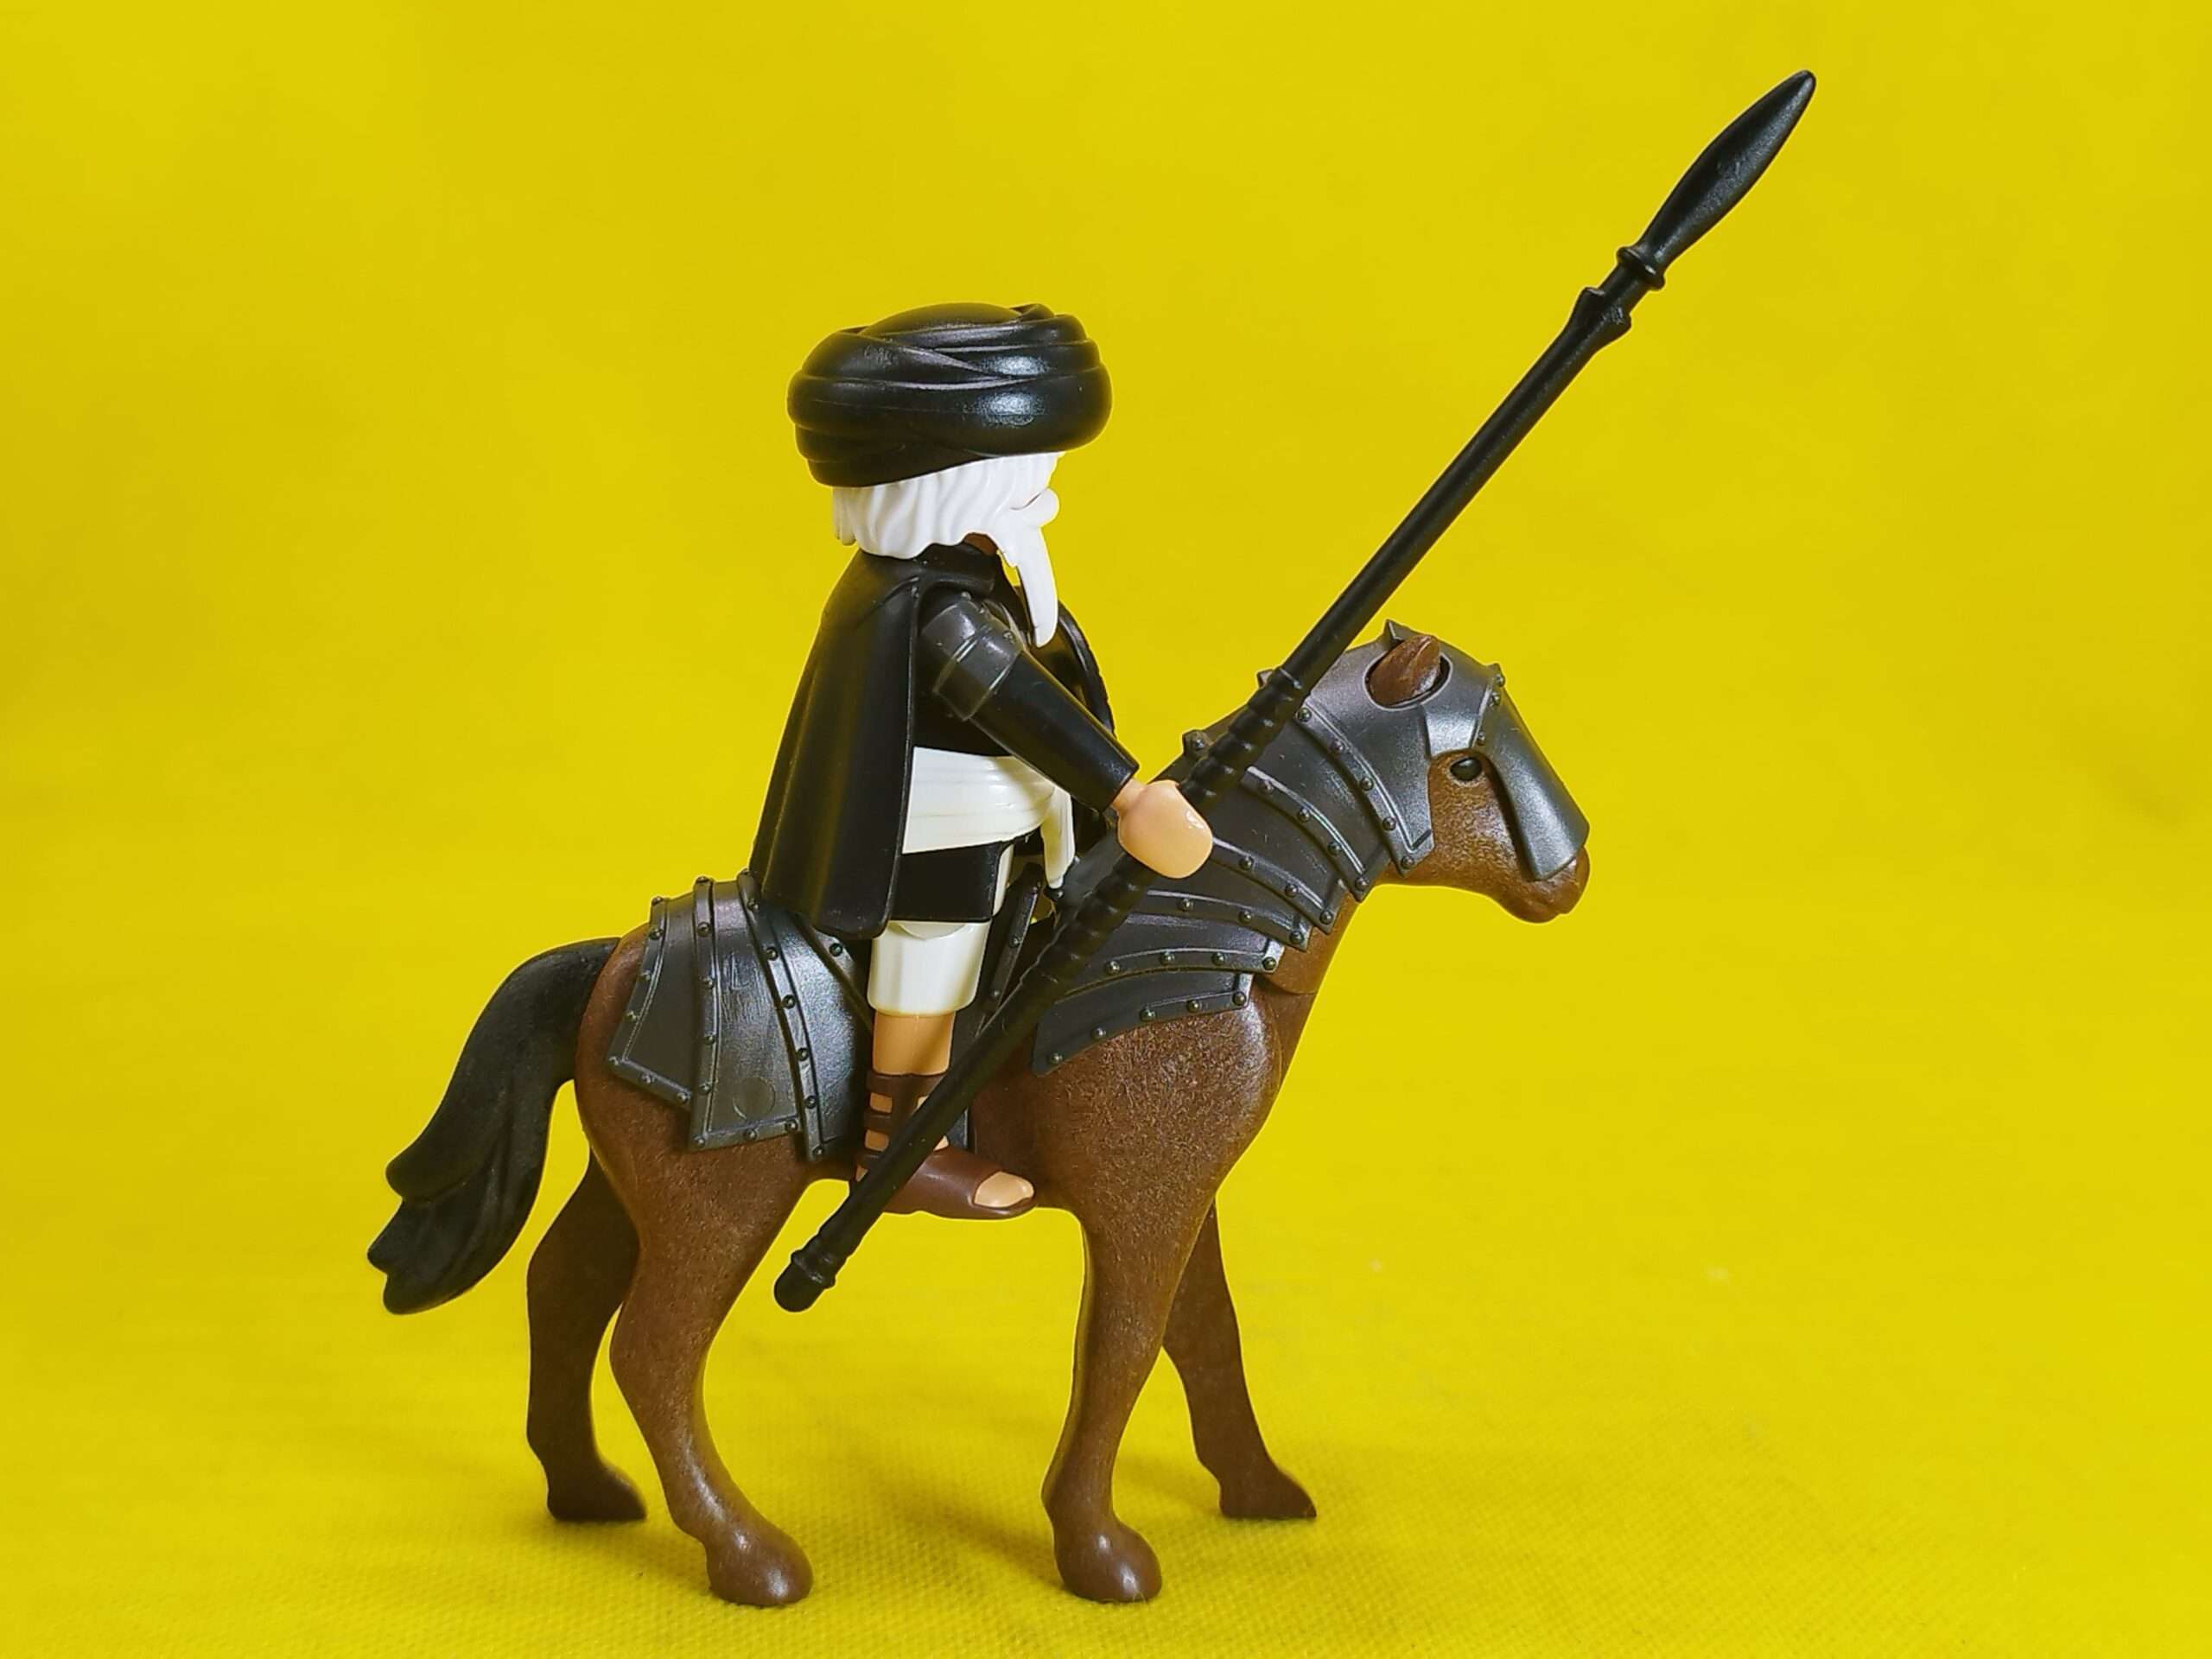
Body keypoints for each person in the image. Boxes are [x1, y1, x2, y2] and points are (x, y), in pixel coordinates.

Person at [755, 302, 1211, 1219]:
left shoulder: (957, 580)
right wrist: (1125, 794)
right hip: (933, 838)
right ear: (962, 484)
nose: (1042, 498)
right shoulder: (936, 609)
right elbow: (1014, 699)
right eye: (1025, 479)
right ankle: (898, 1149)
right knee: (933, 960)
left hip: (991, 821)